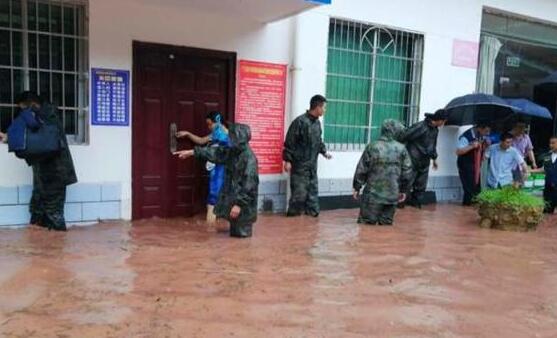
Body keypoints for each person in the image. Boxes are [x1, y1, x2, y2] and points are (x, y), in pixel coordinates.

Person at [0, 92, 77, 231]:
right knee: (37, 214)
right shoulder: (43, 118)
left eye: (24, 109)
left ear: (33, 105)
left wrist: (10, 138)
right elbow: (33, 139)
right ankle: (39, 249)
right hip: (44, 176)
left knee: (54, 216)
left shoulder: (47, 117)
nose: (23, 113)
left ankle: (58, 248)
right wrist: (9, 138)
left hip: (56, 175)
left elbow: (42, 142)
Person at [173, 123, 259, 238]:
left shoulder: (249, 159)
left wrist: (239, 205)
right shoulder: (233, 152)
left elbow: (249, 185)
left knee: (241, 237)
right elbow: (215, 153)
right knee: (235, 239)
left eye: (231, 137)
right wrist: (193, 152)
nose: (228, 139)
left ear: (238, 139)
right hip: (235, 203)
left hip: (244, 208)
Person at [352, 119, 412, 225]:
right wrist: (403, 190)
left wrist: (357, 187)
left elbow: (362, 169)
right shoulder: (402, 149)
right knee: (386, 227)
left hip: (372, 196)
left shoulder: (372, 146)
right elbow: (407, 172)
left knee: (366, 226)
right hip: (392, 196)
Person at [283, 94, 332, 217]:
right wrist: (287, 161)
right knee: (298, 197)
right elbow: (290, 142)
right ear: (317, 107)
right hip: (300, 167)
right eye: (324, 107)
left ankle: (311, 224)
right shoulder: (300, 122)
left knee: (313, 198)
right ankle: (292, 224)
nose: (325, 110)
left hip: (312, 167)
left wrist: (324, 152)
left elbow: (318, 141)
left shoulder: (317, 124)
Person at [176, 111, 229, 223]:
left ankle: (210, 228)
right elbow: (201, 141)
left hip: (221, 170)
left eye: (210, 124)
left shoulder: (225, 135)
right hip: (215, 169)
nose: (209, 127)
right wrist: (188, 134)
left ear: (218, 121)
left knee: (214, 197)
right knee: (213, 196)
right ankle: (212, 226)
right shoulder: (215, 134)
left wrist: (191, 152)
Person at [399, 109, 448, 208]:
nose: (444, 124)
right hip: (413, 159)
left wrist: (434, 159)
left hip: (425, 161)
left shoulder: (435, 130)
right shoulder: (421, 126)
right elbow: (404, 136)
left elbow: (433, 145)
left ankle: (416, 203)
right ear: (439, 120)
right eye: (444, 121)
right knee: (407, 182)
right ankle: (400, 203)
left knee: (421, 185)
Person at [455, 124, 491, 206]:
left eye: (489, 131)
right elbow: (458, 152)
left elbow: (481, 150)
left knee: (476, 187)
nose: (487, 133)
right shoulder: (466, 136)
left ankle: (474, 207)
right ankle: (467, 208)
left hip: (476, 165)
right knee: (469, 189)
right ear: (479, 128)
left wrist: (485, 146)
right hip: (465, 165)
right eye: (486, 131)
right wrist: (471, 146)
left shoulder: (481, 136)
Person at [533, 136, 557, 214]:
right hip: (548, 188)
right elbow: (543, 169)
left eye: (553, 143)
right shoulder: (547, 156)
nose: (551, 145)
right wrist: (529, 170)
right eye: (550, 143)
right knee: (547, 212)